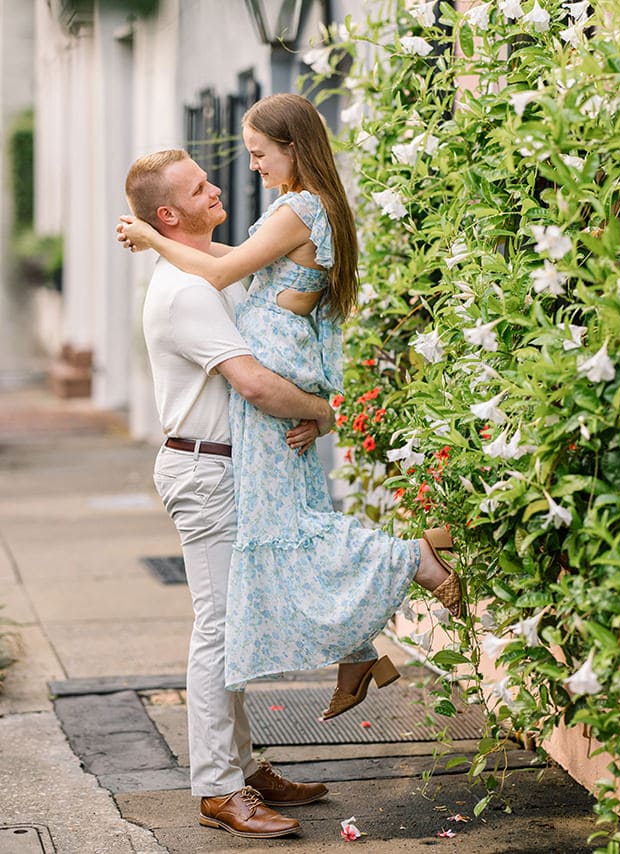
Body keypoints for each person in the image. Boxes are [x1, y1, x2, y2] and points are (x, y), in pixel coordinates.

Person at [120, 94, 459, 724]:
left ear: (291, 148)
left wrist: (150, 239)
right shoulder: (303, 209)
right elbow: (233, 263)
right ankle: (359, 651)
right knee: (293, 523)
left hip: (272, 373)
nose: (248, 167)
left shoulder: (299, 207)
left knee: (287, 532)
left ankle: (416, 558)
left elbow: (220, 277)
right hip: (287, 367)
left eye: (257, 154)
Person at [131, 148, 330, 838]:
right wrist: (325, 412)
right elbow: (252, 382)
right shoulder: (187, 290)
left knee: (232, 623)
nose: (215, 189)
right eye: (197, 188)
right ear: (167, 214)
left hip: (225, 465)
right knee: (217, 629)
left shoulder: (207, 273)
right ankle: (219, 787)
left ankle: (241, 767)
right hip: (206, 472)